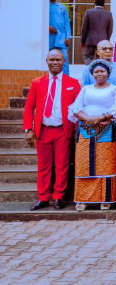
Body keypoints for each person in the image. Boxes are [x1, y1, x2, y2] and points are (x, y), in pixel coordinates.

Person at [23, 49, 80, 210]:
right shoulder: (37, 82)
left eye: (58, 60)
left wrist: (76, 130)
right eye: (52, 60)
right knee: (43, 165)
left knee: (62, 165)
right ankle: (43, 197)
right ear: (47, 61)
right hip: (43, 130)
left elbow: (78, 108)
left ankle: (59, 197)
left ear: (64, 62)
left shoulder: (72, 83)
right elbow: (29, 107)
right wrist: (28, 129)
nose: (55, 63)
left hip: (63, 130)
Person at [68, 59, 116, 211]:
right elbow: (76, 107)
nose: (99, 74)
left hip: (107, 130)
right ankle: (83, 199)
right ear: (92, 74)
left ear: (108, 73)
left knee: (106, 164)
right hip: (86, 130)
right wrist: (87, 118)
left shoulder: (115, 89)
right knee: (84, 164)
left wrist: (100, 117)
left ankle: (106, 199)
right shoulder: (86, 89)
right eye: (96, 72)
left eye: (102, 71)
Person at [80, 0, 113, 64]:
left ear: (94, 3)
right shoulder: (109, 14)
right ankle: (99, 69)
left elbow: (84, 28)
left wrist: (82, 41)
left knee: (88, 57)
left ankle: (90, 69)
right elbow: (110, 29)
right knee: (101, 57)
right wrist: (107, 40)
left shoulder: (88, 12)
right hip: (103, 40)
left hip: (90, 40)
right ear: (103, 4)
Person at [48, 0, 72, 76]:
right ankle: (51, 78)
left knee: (64, 58)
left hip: (61, 38)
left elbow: (67, 23)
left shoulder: (62, 8)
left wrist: (68, 37)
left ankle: (66, 78)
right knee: (49, 59)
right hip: (49, 38)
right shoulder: (44, 7)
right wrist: (47, 27)